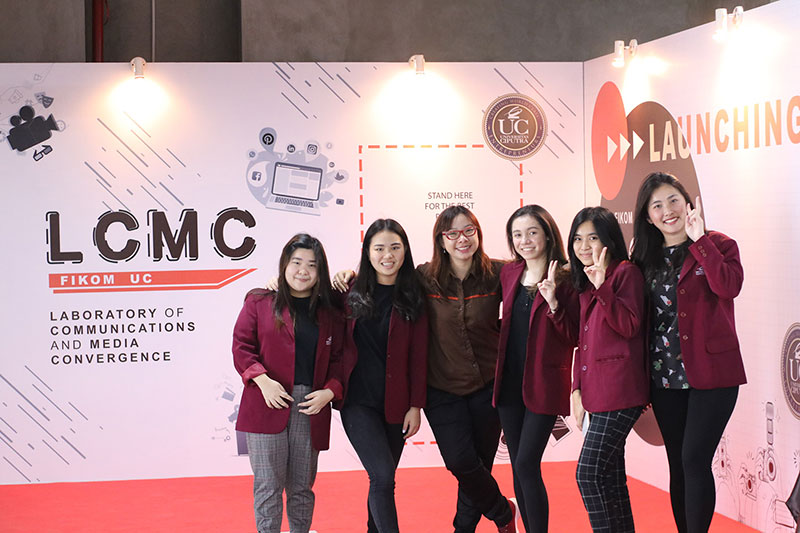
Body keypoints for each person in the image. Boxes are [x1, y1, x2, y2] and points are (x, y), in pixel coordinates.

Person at [631, 172, 745, 533]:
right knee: (678, 464)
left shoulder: (718, 244)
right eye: (657, 205)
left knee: (695, 459)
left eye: (673, 200)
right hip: (664, 378)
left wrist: (700, 243)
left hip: (713, 375)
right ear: (648, 217)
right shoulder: (643, 259)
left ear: (688, 203)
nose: (668, 210)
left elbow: (728, 286)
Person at [232, 233, 344, 533]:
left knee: (301, 487)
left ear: (321, 271)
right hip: (265, 401)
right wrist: (262, 380)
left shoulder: (330, 311)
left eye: (312, 265)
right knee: (268, 485)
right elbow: (242, 346)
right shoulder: (259, 301)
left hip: (310, 405)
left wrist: (330, 391)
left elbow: (341, 359)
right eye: (296, 262)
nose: (303, 271)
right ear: (284, 265)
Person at [418, 205, 517, 533]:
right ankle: (503, 512)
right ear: (441, 240)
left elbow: (538, 270)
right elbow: (381, 279)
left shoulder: (498, 272)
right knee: (460, 461)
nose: (462, 239)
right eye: (453, 233)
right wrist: (347, 277)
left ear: (478, 233)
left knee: (479, 466)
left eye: (469, 231)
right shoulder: (424, 277)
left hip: (488, 386)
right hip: (441, 388)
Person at [335, 219, 428, 533]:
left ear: (405, 251)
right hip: (358, 402)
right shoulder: (349, 291)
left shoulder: (414, 295)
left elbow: (419, 355)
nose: (387, 255)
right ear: (367, 252)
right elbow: (305, 295)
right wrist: (273, 284)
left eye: (395, 247)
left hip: (396, 404)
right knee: (383, 476)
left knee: (382, 479)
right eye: (379, 248)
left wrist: (415, 405)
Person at [494, 205, 578, 533]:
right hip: (509, 384)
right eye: (517, 234)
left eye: (532, 232)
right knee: (518, 467)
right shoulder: (509, 273)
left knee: (528, 464)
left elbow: (574, 336)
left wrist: (555, 303)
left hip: (544, 384)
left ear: (547, 234)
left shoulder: (567, 277)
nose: (525, 240)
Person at [567, 207, 648, 533]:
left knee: (587, 474)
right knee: (611, 477)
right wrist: (576, 388)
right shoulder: (587, 279)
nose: (584, 246)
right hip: (597, 391)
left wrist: (603, 287)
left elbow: (629, 326)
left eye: (593, 238)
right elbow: (583, 340)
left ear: (609, 240)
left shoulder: (626, 273)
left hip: (621, 390)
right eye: (577, 239)